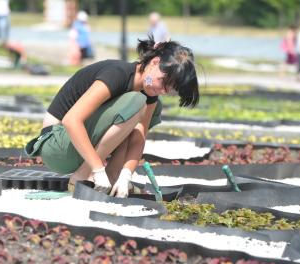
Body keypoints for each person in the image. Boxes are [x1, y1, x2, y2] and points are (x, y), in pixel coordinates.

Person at [25, 36, 199, 198]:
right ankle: (84, 175)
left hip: (77, 147)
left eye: (170, 89)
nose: (163, 91)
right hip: (56, 146)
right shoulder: (117, 73)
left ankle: (113, 176)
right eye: (163, 82)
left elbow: (139, 136)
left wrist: (126, 174)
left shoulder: (149, 91)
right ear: (154, 62)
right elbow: (71, 120)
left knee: (148, 106)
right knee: (136, 101)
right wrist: (97, 170)